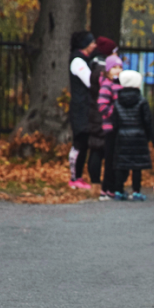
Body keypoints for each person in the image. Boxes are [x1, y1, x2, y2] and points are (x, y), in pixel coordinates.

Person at [113, 70, 152, 201]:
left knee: (121, 164)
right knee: (137, 166)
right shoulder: (142, 101)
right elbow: (147, 120)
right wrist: (149, 136)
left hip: (122, 135)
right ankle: (136, 191)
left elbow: (115, 121)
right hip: (138, 135)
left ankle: (118, 190)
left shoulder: (117, 101)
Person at [85, 36, 119, 190]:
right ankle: (98, 182)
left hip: (94, 112)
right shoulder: (103, 72)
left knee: (96, 147)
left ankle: (97, 181)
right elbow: (103, 96)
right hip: (102, 116)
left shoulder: (94, 67)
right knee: (100, 148)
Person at [67, 31, 97, 190]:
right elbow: (89, 81)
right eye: (91, 42)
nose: (94, 45)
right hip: (80, 107)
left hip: (85, 106)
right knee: (80, 141)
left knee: (84, 142)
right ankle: (74, 177)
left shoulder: (84, 60)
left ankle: (78, 176)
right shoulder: (78, 60)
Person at [95, 55, 123, 201]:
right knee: (110, 158)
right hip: (110, 127)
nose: (117, 70)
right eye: (114, 67)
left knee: (116, 158)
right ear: (108, 69)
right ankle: (105, 188)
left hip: (119, 127)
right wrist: (115, 114)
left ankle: (113, 188)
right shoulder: (107, 84)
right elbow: (102, 105)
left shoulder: (120, 84)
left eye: (120, 67)